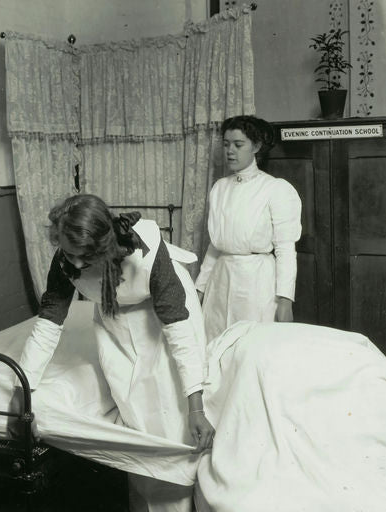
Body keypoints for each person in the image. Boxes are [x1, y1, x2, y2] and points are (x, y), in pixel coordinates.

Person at [17, 194, 214, 512]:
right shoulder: (66, 259)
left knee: (174, 411)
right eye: (70, 254)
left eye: (86, 257)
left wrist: (196, 407)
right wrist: (23, 387)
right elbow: (49, 322)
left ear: (104, 246)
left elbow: (178, 328)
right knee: (135, 414)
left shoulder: (147, 252)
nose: (76, 265)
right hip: (114, 318)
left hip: (164, 314)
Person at [195, 115, 302, 342]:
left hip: (256, 283)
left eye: (238, 144)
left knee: (252, 347)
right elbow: (215, 247)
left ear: (256, 146)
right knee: (215, 344)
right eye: (226, 144)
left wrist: (285, 300)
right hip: (221, 281)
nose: (230, 151)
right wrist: (200, 289)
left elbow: (285, 249)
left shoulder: (275, 189)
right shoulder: (219, 188)